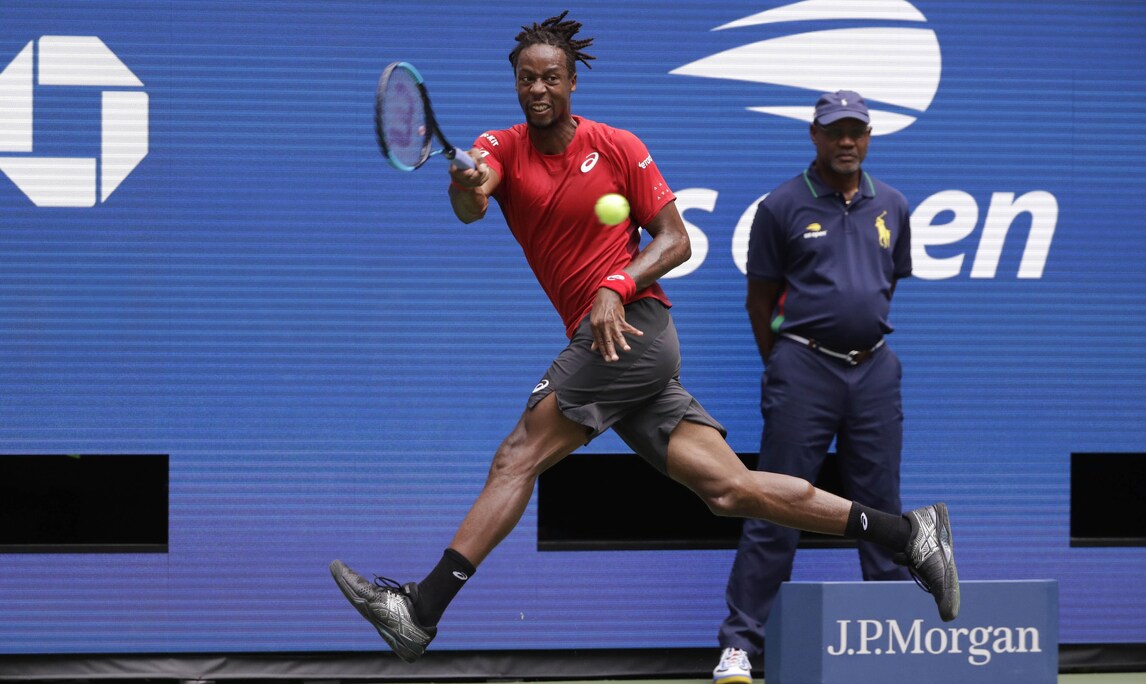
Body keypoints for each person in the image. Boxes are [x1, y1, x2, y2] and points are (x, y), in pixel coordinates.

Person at [329, 15, 958, 664]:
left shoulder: (619, 147)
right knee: (731, 489)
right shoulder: (499, 147)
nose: (538, 88)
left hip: (632, 330)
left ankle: (421, 610)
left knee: (517, 456)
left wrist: (616, 283)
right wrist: (464, 184)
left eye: (551, 77)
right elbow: (475, 202)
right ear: (515, 83)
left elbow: (676, 240)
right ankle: (909, 534)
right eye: (527, 78)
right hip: (617, 349)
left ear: (572, 82)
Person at [712, 90, 918, 684]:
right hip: (803, 368)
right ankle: (740, 646)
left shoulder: (893, 205)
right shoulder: (781, 206)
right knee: (775, 507)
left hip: (874, 370)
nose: (846, 141)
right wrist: (786, 363)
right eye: (834, 131)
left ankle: (895, 642)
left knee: (882, 510)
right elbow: (759, 301)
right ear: (815, 135)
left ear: (869, 137)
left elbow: (882, 288)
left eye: (856, 130)